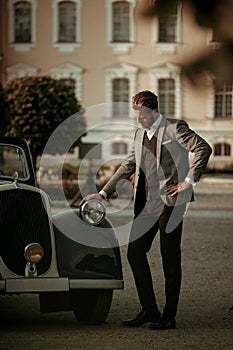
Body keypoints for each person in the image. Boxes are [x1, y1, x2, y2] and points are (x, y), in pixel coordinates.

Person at [81, 90, 212, 330]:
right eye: (136, 115)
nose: (138, 120)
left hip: (171, 204)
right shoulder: (139, 133)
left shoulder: (175, 128)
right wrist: (102, 192)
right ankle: (150, 310)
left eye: (142, 115)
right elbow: (128, 165)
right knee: (134, 253)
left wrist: (188, 182)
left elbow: (203, 148)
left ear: (154, 111)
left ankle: (169, 316)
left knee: (169, 258)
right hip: (146, 205)